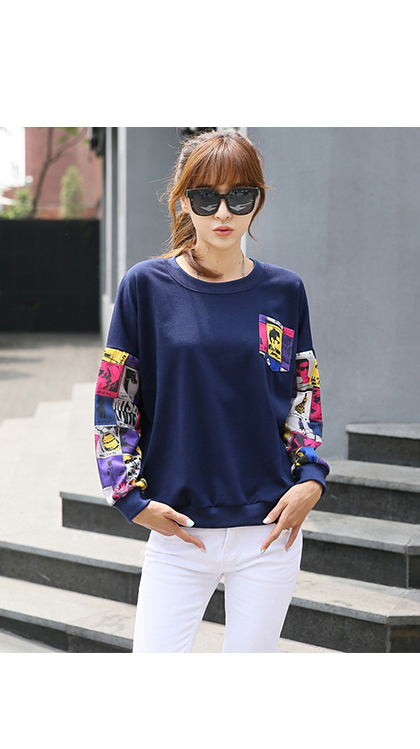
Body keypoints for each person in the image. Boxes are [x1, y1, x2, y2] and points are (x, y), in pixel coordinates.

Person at [93, 129, 329, 653]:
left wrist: (311, 480)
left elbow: (303, 395)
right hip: (180, 531)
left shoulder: (284, 292)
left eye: (239, 196)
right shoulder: (146, 287)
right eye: (206, 197)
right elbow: (115, 400)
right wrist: (127, 496)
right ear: (184, 201)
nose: (223, 212)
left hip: (269, 530)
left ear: (257, 202)